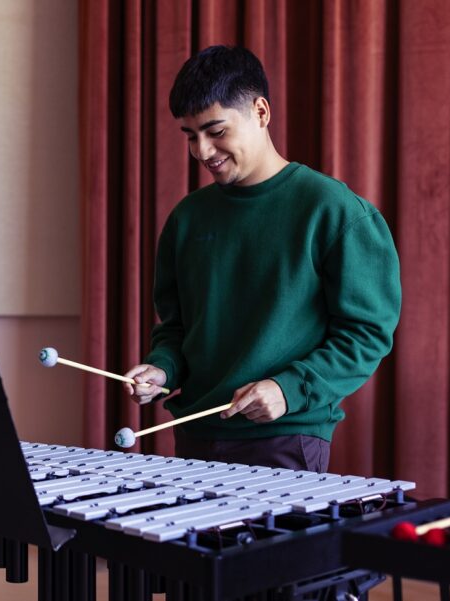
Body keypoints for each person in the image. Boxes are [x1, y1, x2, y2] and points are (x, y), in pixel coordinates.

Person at [122, 46, 401, 472]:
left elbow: (366, 334)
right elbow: (177, 328)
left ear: (261, 112)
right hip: (196, 436)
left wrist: (287, 389)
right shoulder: (187, 218)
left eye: (215, 131)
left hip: (286, 437)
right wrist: (162, 370)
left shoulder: (335, 211)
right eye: (190, 135)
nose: (201, 150)